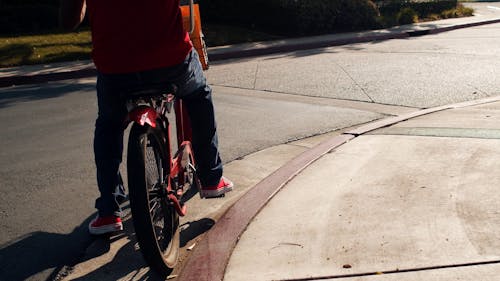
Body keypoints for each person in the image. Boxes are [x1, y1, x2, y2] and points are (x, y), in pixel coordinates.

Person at [60, 0, 233, 235]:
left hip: (115, 69)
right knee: (199, 95)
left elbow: (69, 20)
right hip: (171, 61)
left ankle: (109, 211)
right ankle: (211, 177)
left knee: (109, 125)